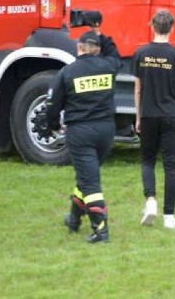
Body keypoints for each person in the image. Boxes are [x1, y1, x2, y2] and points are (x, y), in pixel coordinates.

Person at [46, 31, 122, 243]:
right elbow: (115, 54)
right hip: (106, 131)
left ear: (78, 48)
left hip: (81, 133)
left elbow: (52, 106)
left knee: (90, 183)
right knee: (85, 176)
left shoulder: (67, 72)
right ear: (98, 49)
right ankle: (73, 220)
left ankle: (101, 230)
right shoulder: (109, 66)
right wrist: (101, 33)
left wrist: (52, 126)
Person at [133, 10, 175, 230]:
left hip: (148, 114)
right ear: (172, 28)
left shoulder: (141, 54)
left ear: (152, 26)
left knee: (148, 160)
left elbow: (138, 90)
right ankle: (169, 215)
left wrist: (138, 117)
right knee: (171, 165)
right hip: (170, 115)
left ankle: (150, 201)